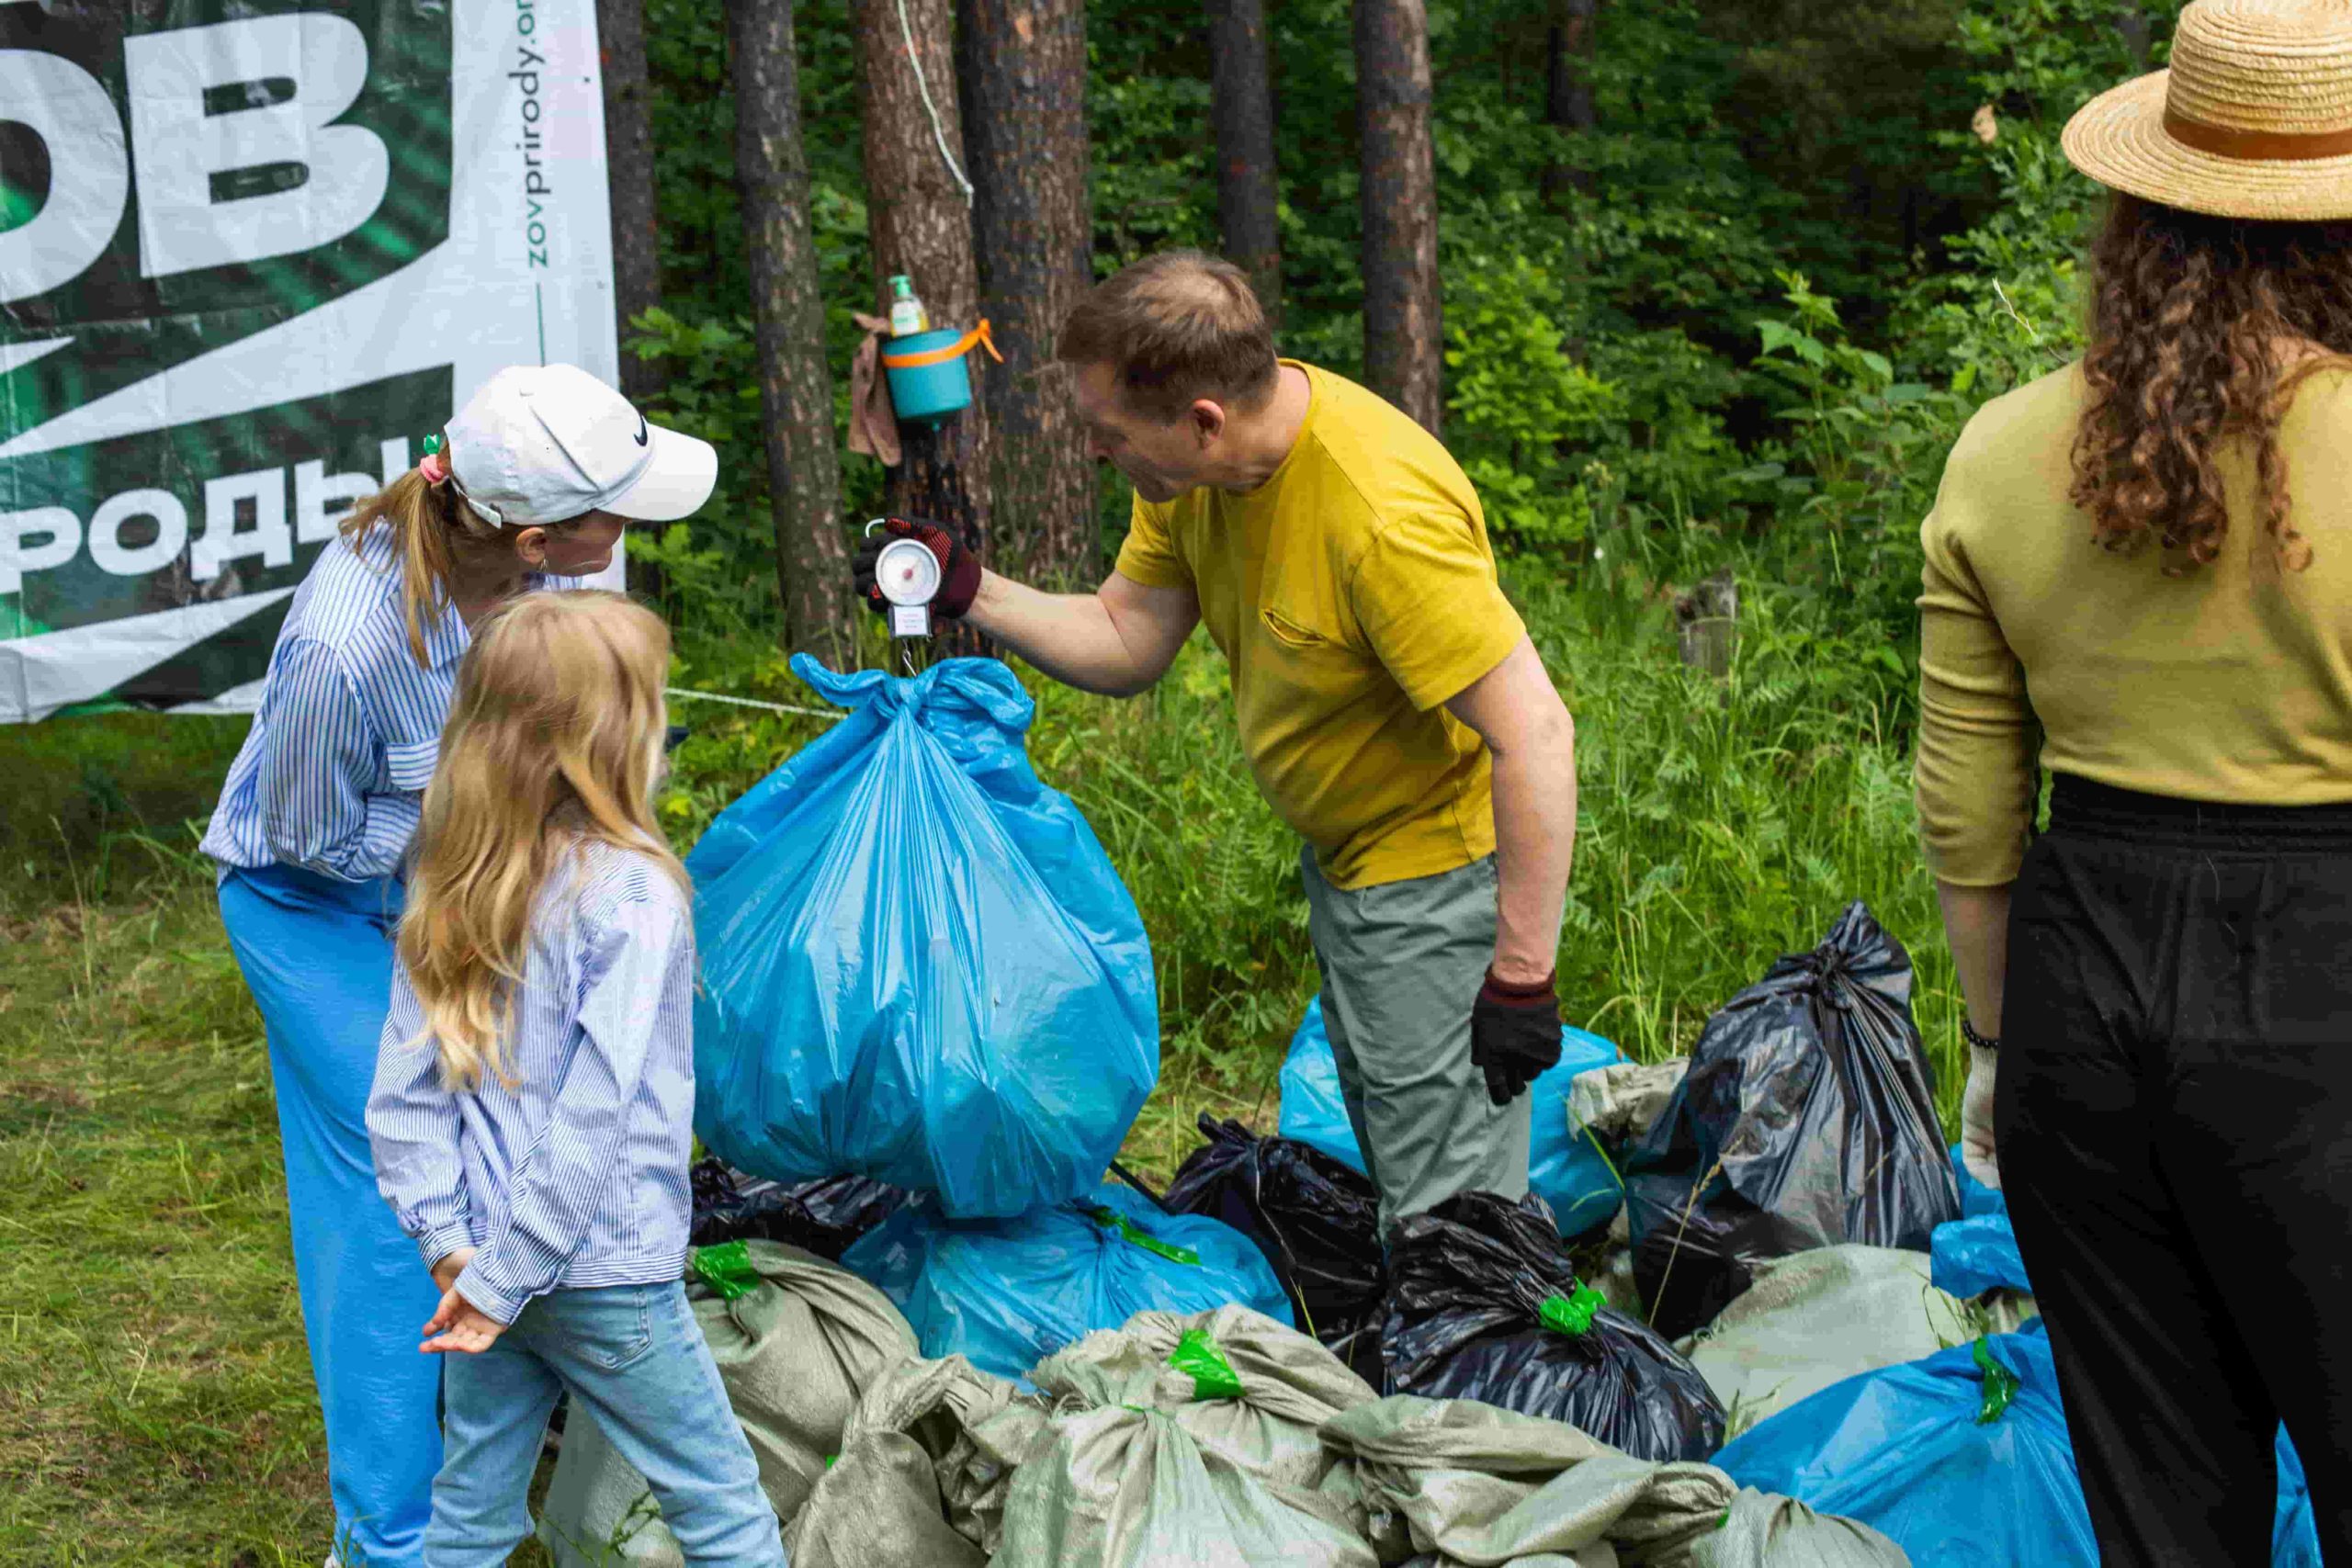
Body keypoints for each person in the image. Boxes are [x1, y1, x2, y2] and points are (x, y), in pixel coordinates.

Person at [858, 250, 1577, 1235]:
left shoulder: (1379, 516)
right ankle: (1427, 1336)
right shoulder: (1195, 480)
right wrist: (969, 590)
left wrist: (1521, 977)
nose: (1099, 457)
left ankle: (1482, 1370)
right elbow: (1125, 638)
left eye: (1109, 436)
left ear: (1203, 417)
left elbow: (1534, 731)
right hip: (1347, 864)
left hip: (1433, 874)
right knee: (1403, 1163)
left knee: (1453, 1214)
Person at [1915, 1, 2352, 1559]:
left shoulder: (2004, 448)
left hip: (2078, 986)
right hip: (2325, 981)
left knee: (2165, 1508)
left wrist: (1989, 1040)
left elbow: (1969, 806)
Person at [201, 366, 717, 1568]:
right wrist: (443, 929)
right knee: (399, 1186)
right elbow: (308, 840)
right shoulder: (344, 647)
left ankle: (496, 1433)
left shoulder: (526, 573)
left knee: (517, 1128)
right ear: (538, 534)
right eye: (616, 512)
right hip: (318, 903)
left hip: (443, 871)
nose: (627, 530)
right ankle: (386, 1538)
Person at [366, 592, 784, 1567]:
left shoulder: (450, 882)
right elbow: (596, 1112)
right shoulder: (634, 896)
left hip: (477, 1269)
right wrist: (507, 1275)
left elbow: (402, 1100)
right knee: (721, 1507)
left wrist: (456, 1256)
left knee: (470, 1513)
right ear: (614, 740)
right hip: (602, 1276)